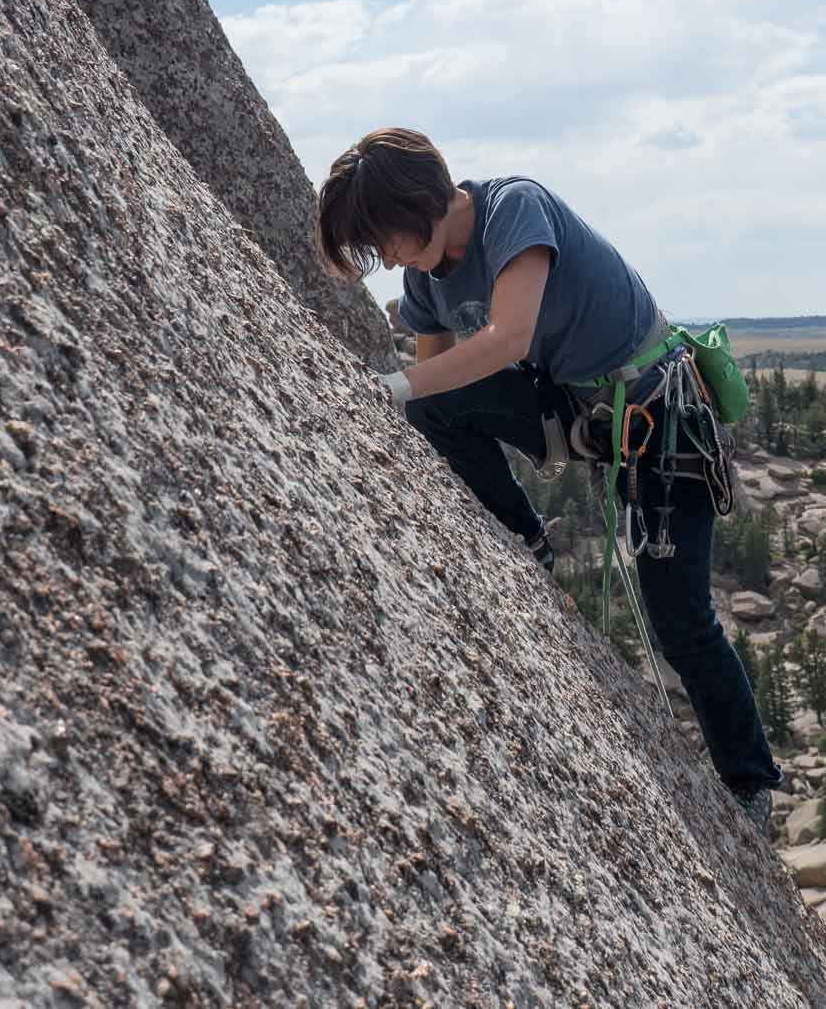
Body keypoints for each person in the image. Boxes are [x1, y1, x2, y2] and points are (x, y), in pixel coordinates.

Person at [315, 127, 782, 836]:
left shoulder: (515, 210)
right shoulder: (426, 278)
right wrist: (405, 392)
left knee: (681, 621)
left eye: (385, 238)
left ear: (417, 205)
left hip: (659, 418)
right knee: (433, 400)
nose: (386, 257)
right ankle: (524, 538)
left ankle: (751, 782)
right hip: (580, 411)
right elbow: (439, 383)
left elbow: (507, 338)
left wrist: (393, 386)